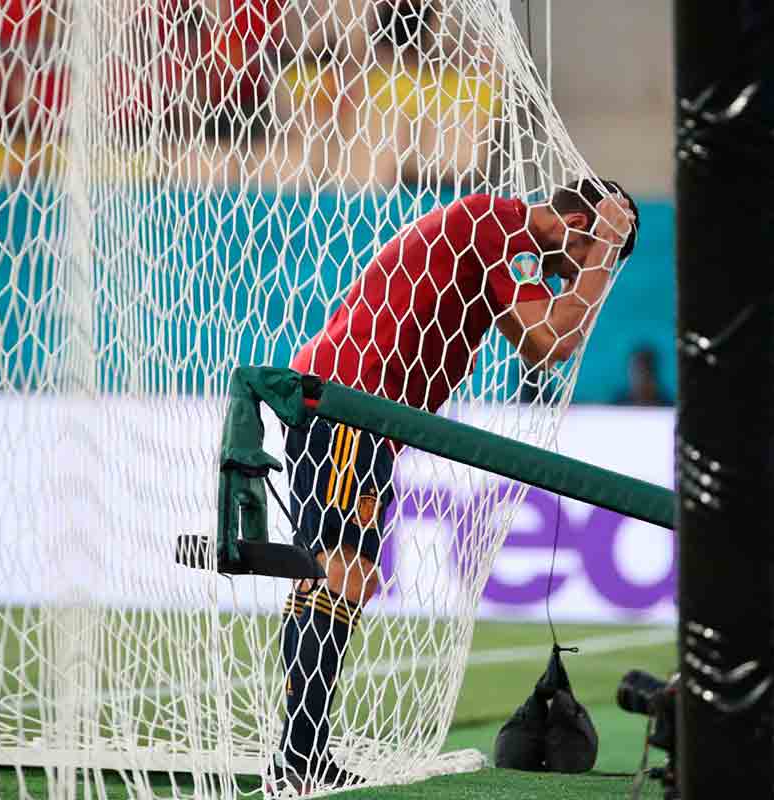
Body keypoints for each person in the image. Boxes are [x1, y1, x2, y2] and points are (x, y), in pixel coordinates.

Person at [269, 179, 637, 794]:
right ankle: (297, 759)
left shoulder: (498, 233)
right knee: (339, 574)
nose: (574, 278)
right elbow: (553, 342)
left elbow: (540, 341)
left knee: (345, 575)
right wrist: (606, 248)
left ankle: (300, 753)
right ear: (577, 225)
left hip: (357, 410)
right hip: (347, 403)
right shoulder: (501, 224)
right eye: (583, 257)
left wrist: (596, 255)